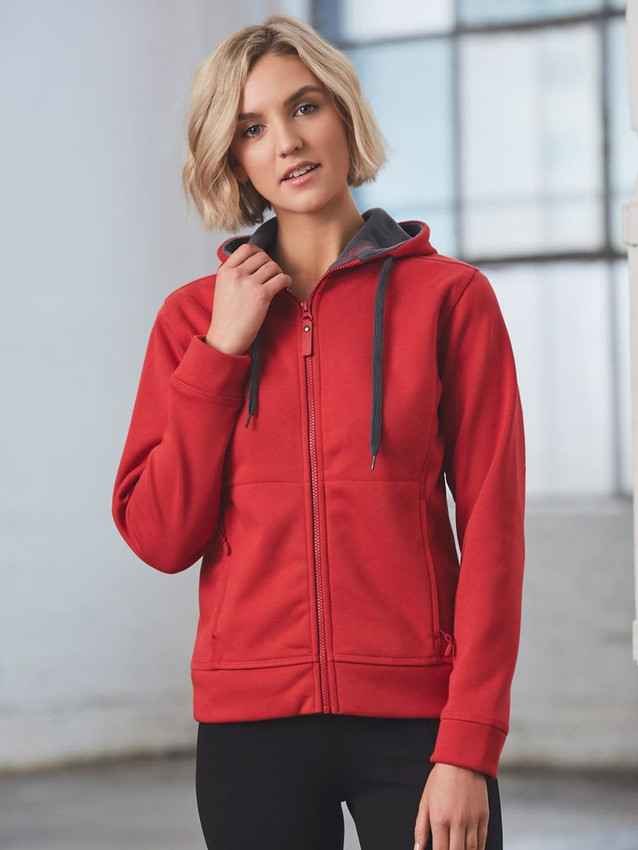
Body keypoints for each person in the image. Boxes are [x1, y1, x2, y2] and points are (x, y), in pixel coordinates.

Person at [111, 13, 525, 850]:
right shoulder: (192, 321)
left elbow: (492, 533)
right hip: (249, 733)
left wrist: (469, 747)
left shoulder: (451, 300)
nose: (288, 143)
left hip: (417, 727)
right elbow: (160, 535)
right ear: (233, 160)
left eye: (304, 107)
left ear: (342, 111)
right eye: (252, 128)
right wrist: (222, 351)